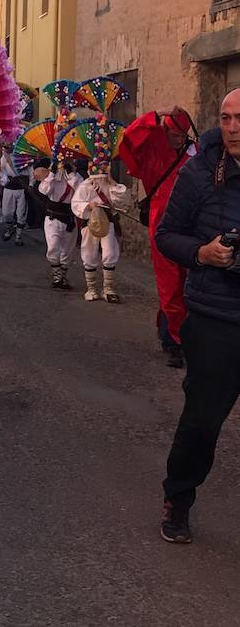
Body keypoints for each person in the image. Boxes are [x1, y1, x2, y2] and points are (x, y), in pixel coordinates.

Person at [155, 89, 240, 544]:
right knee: (202, 423)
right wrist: (203, 254)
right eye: (226, 117)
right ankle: (178, 498)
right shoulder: (200, 170)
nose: (232, 127)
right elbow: (167, 235)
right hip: (215, 320)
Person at [121, 106, 196, 368]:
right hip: (163, 227)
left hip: (192, 230)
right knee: (170, 286)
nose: (169, 137)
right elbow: (130, 137)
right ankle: (174, 341)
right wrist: (156, 114)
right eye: (167, 131)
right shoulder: (153, 154)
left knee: (192, 286)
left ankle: (180, 336)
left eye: (175, 133)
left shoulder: (195, 156)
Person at [71, 162, 127, 304]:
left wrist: (112, 181)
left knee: (109, 252)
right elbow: (76, 203)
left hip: (107, 221)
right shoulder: (85, 186)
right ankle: (91, 288)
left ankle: (108, 289)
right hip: (90, 222)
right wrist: (88, 205)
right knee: (89, 253)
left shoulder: (109, 184)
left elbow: (121, 200)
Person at [37, 161, 83, 289]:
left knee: (68, 251)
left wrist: (71, 173)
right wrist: (51, 173)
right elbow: (44, 190)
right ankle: (57, 276)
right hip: (53, 218)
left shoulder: (76, 177)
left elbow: (81, 190)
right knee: (53, 247)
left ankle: (62, 277)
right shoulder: (52, 177)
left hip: (69, 219)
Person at [0, 144, 28, 246]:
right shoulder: (4, 157)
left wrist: (31, 185)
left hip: (21, 188)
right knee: (6, 213)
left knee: (21, 213)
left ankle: (18, 237)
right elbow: (2, 171)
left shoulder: (23, 157)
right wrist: (4, 181)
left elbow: (29, 171)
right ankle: (10, 228)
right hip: (9, 187)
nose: (6, 148)